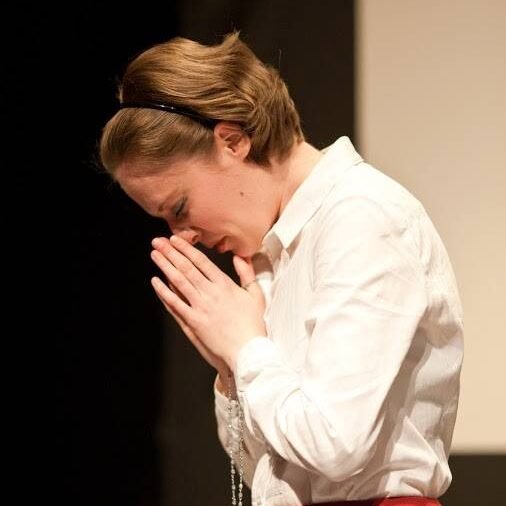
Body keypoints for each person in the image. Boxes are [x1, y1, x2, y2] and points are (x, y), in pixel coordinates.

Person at [98, 31, 463, 506]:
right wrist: (232, 371)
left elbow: (336, 446)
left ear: (231, 141)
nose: (182, 235)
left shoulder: (361, 217)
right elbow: (267, 474)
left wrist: (247, 348)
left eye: (180, 206)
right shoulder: (272, 255)